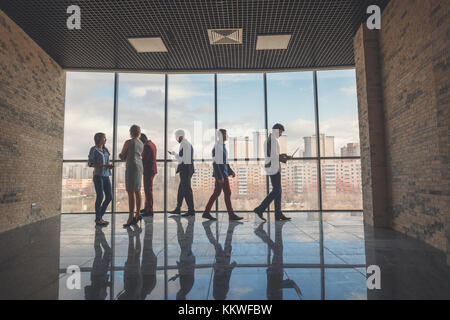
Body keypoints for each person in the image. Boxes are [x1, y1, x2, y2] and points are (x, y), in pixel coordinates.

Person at [202, 129, 243, 221]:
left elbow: (225, 162)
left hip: (223, 173)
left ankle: (206, 212)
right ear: (220, 136)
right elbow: (215, 163)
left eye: (226, 134)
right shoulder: (217, 147)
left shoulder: (222, 146)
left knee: (217, 193)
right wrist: (219, 177)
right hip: (221, 175)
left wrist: (231, 171)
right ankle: (231, 214)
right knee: (227, 193)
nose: (226, 136)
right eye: (225, 134)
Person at [254, 123, 292, 221]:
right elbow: (273, 156)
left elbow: (274, 155)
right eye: (280, 132)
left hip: (273, 166)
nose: (280, 134)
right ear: (276, 130)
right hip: (272, 167)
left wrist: (282, 156)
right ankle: (260, 208)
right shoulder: (271, 140)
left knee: (278, 190)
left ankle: (278, 214)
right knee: (277, 190)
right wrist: (283, 158)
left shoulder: (272, 140)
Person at [119, 125, 144, 228]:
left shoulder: (129, 142)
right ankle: (137, 214)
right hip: (139, 166)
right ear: (139, 133)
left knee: (130, 192)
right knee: (137, 191)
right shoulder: (141, 143)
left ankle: (131, 217)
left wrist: (121, 155)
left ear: (131, 132)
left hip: (131, 167)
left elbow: (122, 155)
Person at [88, 132, 113, 226]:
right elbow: (90, 163)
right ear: (98, 139)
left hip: (106, 175)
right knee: (100, 197)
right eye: (104, 138)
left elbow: (106, 163)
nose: (105, 139)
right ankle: (98, 219)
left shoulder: (105, 150)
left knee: (109, 197)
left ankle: (99, 217)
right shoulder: (93, 149)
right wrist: (103, 165)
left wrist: (109, 166)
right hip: (98, 176)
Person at [168, 129, 195, 217]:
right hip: (187, 169)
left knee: (187, 190)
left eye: (176, 137)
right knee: (181, 190)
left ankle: (191, 210)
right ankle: (178, 209)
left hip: (185, 170)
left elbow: (181, 159)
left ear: (179, 136)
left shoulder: (184, 144)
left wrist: (174, 154)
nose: (176, 139)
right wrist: (175, 154)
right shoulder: (187, 144)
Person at [140, 133, 157, 217]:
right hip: (151, 169)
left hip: (148, 170)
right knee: (148, 190)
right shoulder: (152, 144)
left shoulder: (146, 146)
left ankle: (149, 210)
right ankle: (147, 207)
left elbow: (144, 160)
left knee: (148, 190)